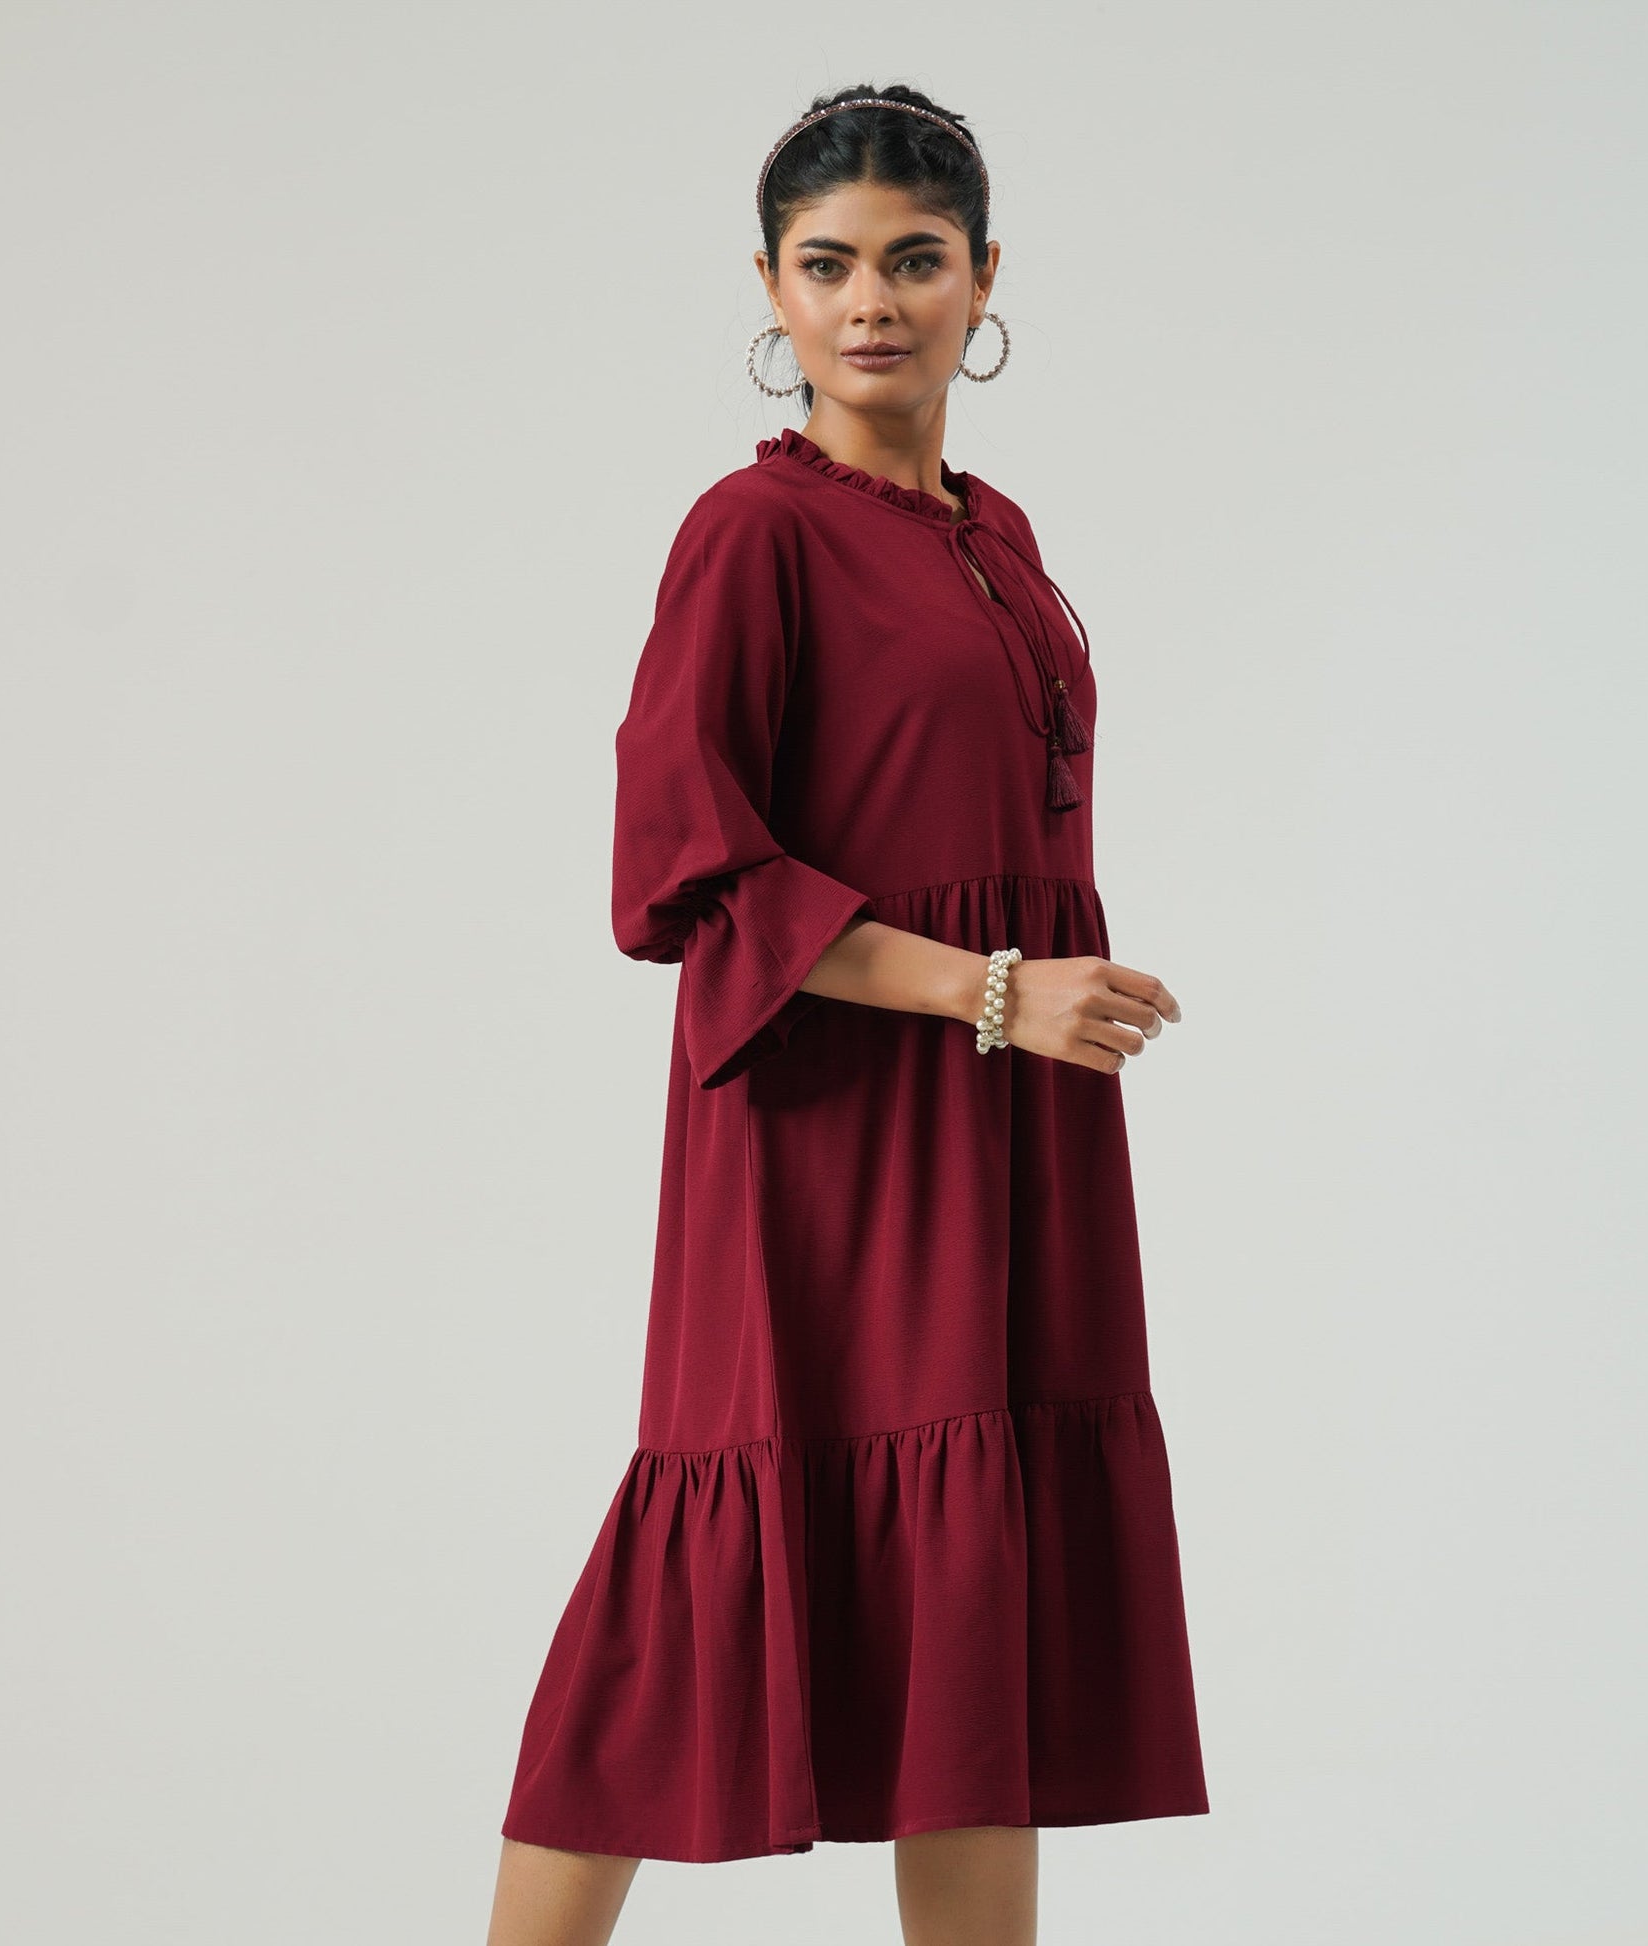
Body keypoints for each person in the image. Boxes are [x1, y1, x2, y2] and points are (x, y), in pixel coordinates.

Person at [485, 82, 1210, 1946]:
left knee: (983, 1605)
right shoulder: (751, 533)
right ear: (771, 289)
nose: (871, 301)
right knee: (696, 1578)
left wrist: (1026, 1007)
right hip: (831, 1130)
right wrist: (996, 991)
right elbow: (684, 870)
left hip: (1008, 1120)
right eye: (827, 266)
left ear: (984, 279)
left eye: (913, 259)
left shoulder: (997, 532)